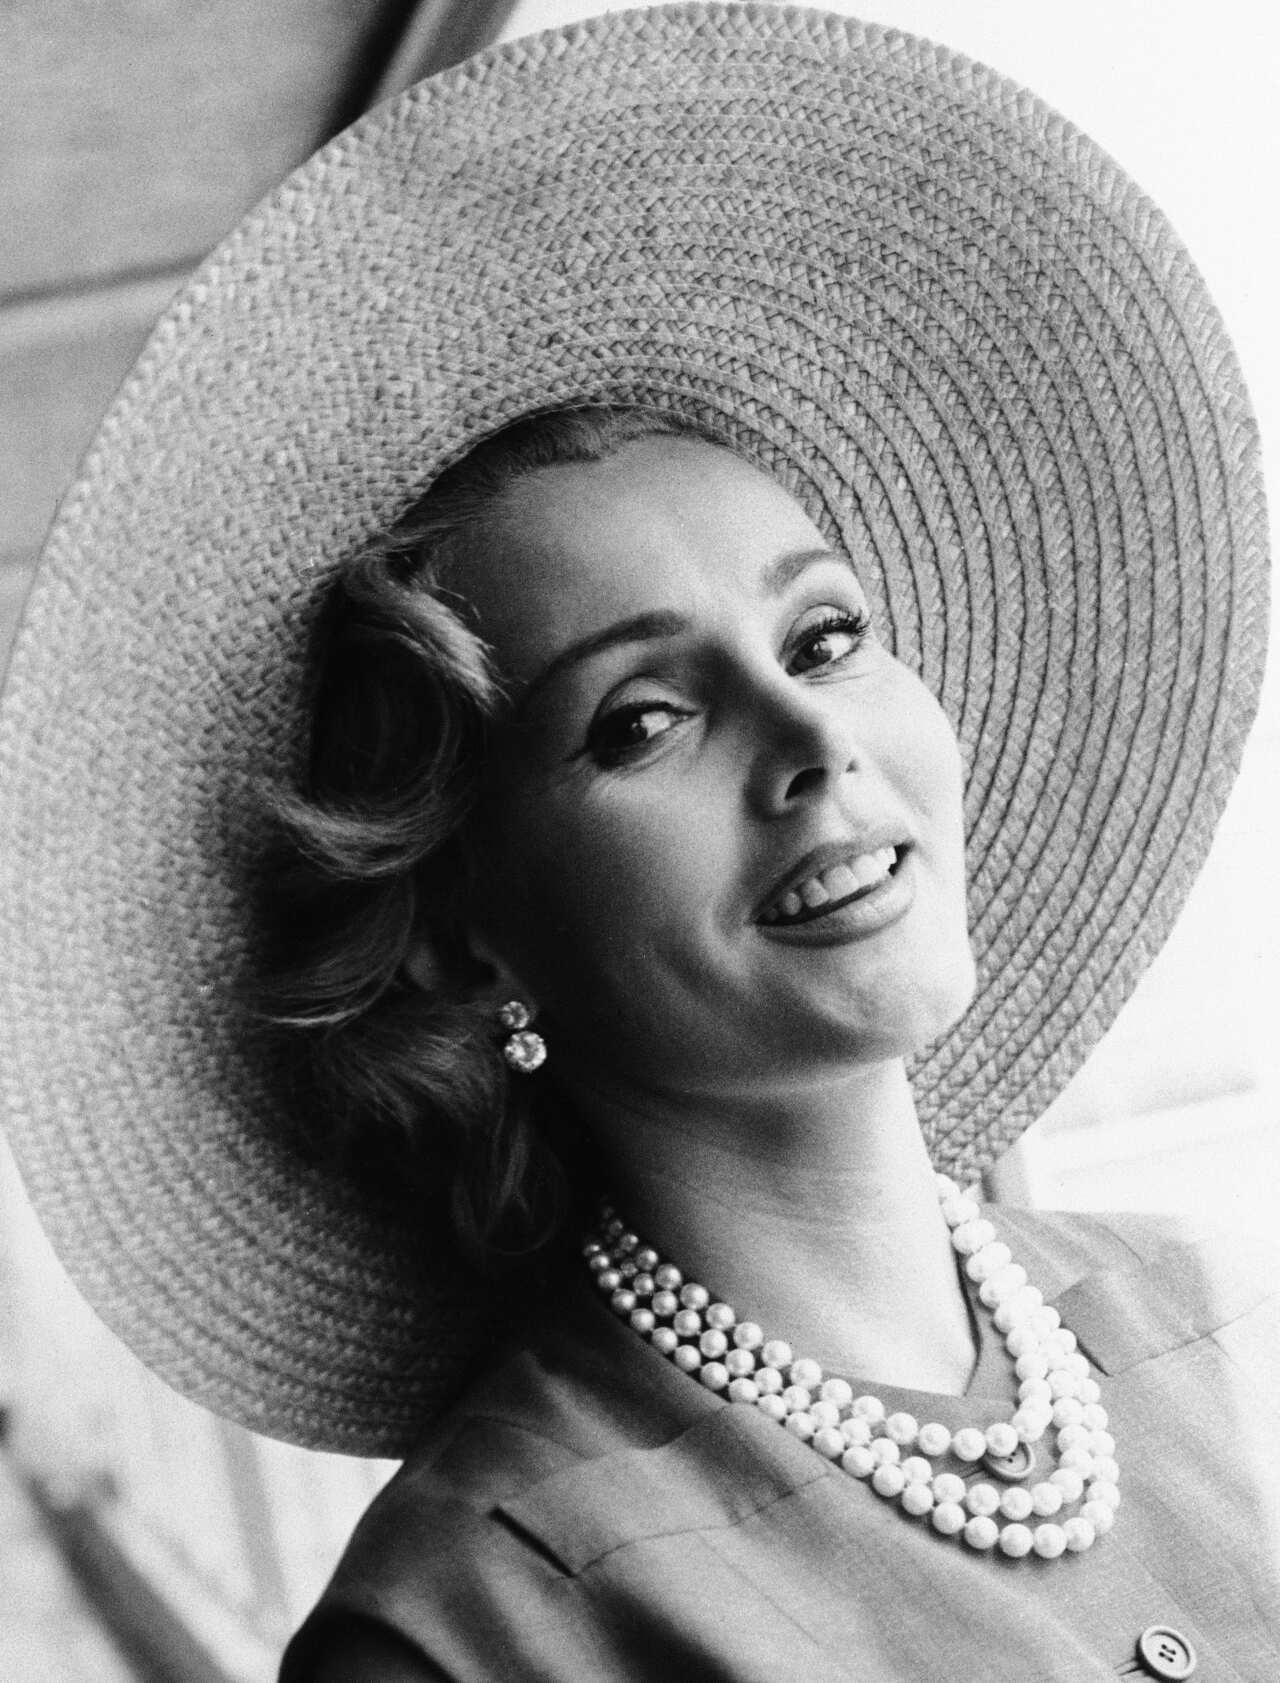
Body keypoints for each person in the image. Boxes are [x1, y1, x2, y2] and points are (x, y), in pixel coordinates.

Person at [0, 6, 1274, 1681]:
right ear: (469, 933)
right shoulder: (474, 1628)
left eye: (823, 639)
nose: (813, 740)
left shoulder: (1204, 1322)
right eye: (640, 722)